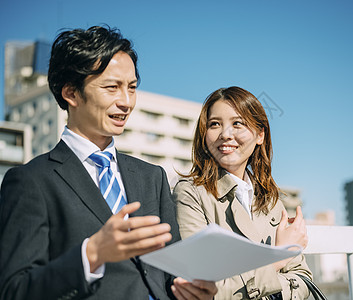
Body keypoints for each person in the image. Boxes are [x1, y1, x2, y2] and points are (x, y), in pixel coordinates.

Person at [0, 25, 216, 300]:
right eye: (112, 87)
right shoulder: (31, 181)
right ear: (71, 93)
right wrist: (92, 254)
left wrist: (193, 289)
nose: (126, 102)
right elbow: (14, 290)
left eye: (132, 88)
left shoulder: (152, 177)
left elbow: (172, 273)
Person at [173, 86, 313, 299]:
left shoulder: (271, 200)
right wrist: (278, 259)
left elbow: (302, 280)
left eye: (237, 124)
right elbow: (201, 285)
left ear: (260, 135)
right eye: (214, 124)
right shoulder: (190, 194)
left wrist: (247, 282)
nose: (225, 134)